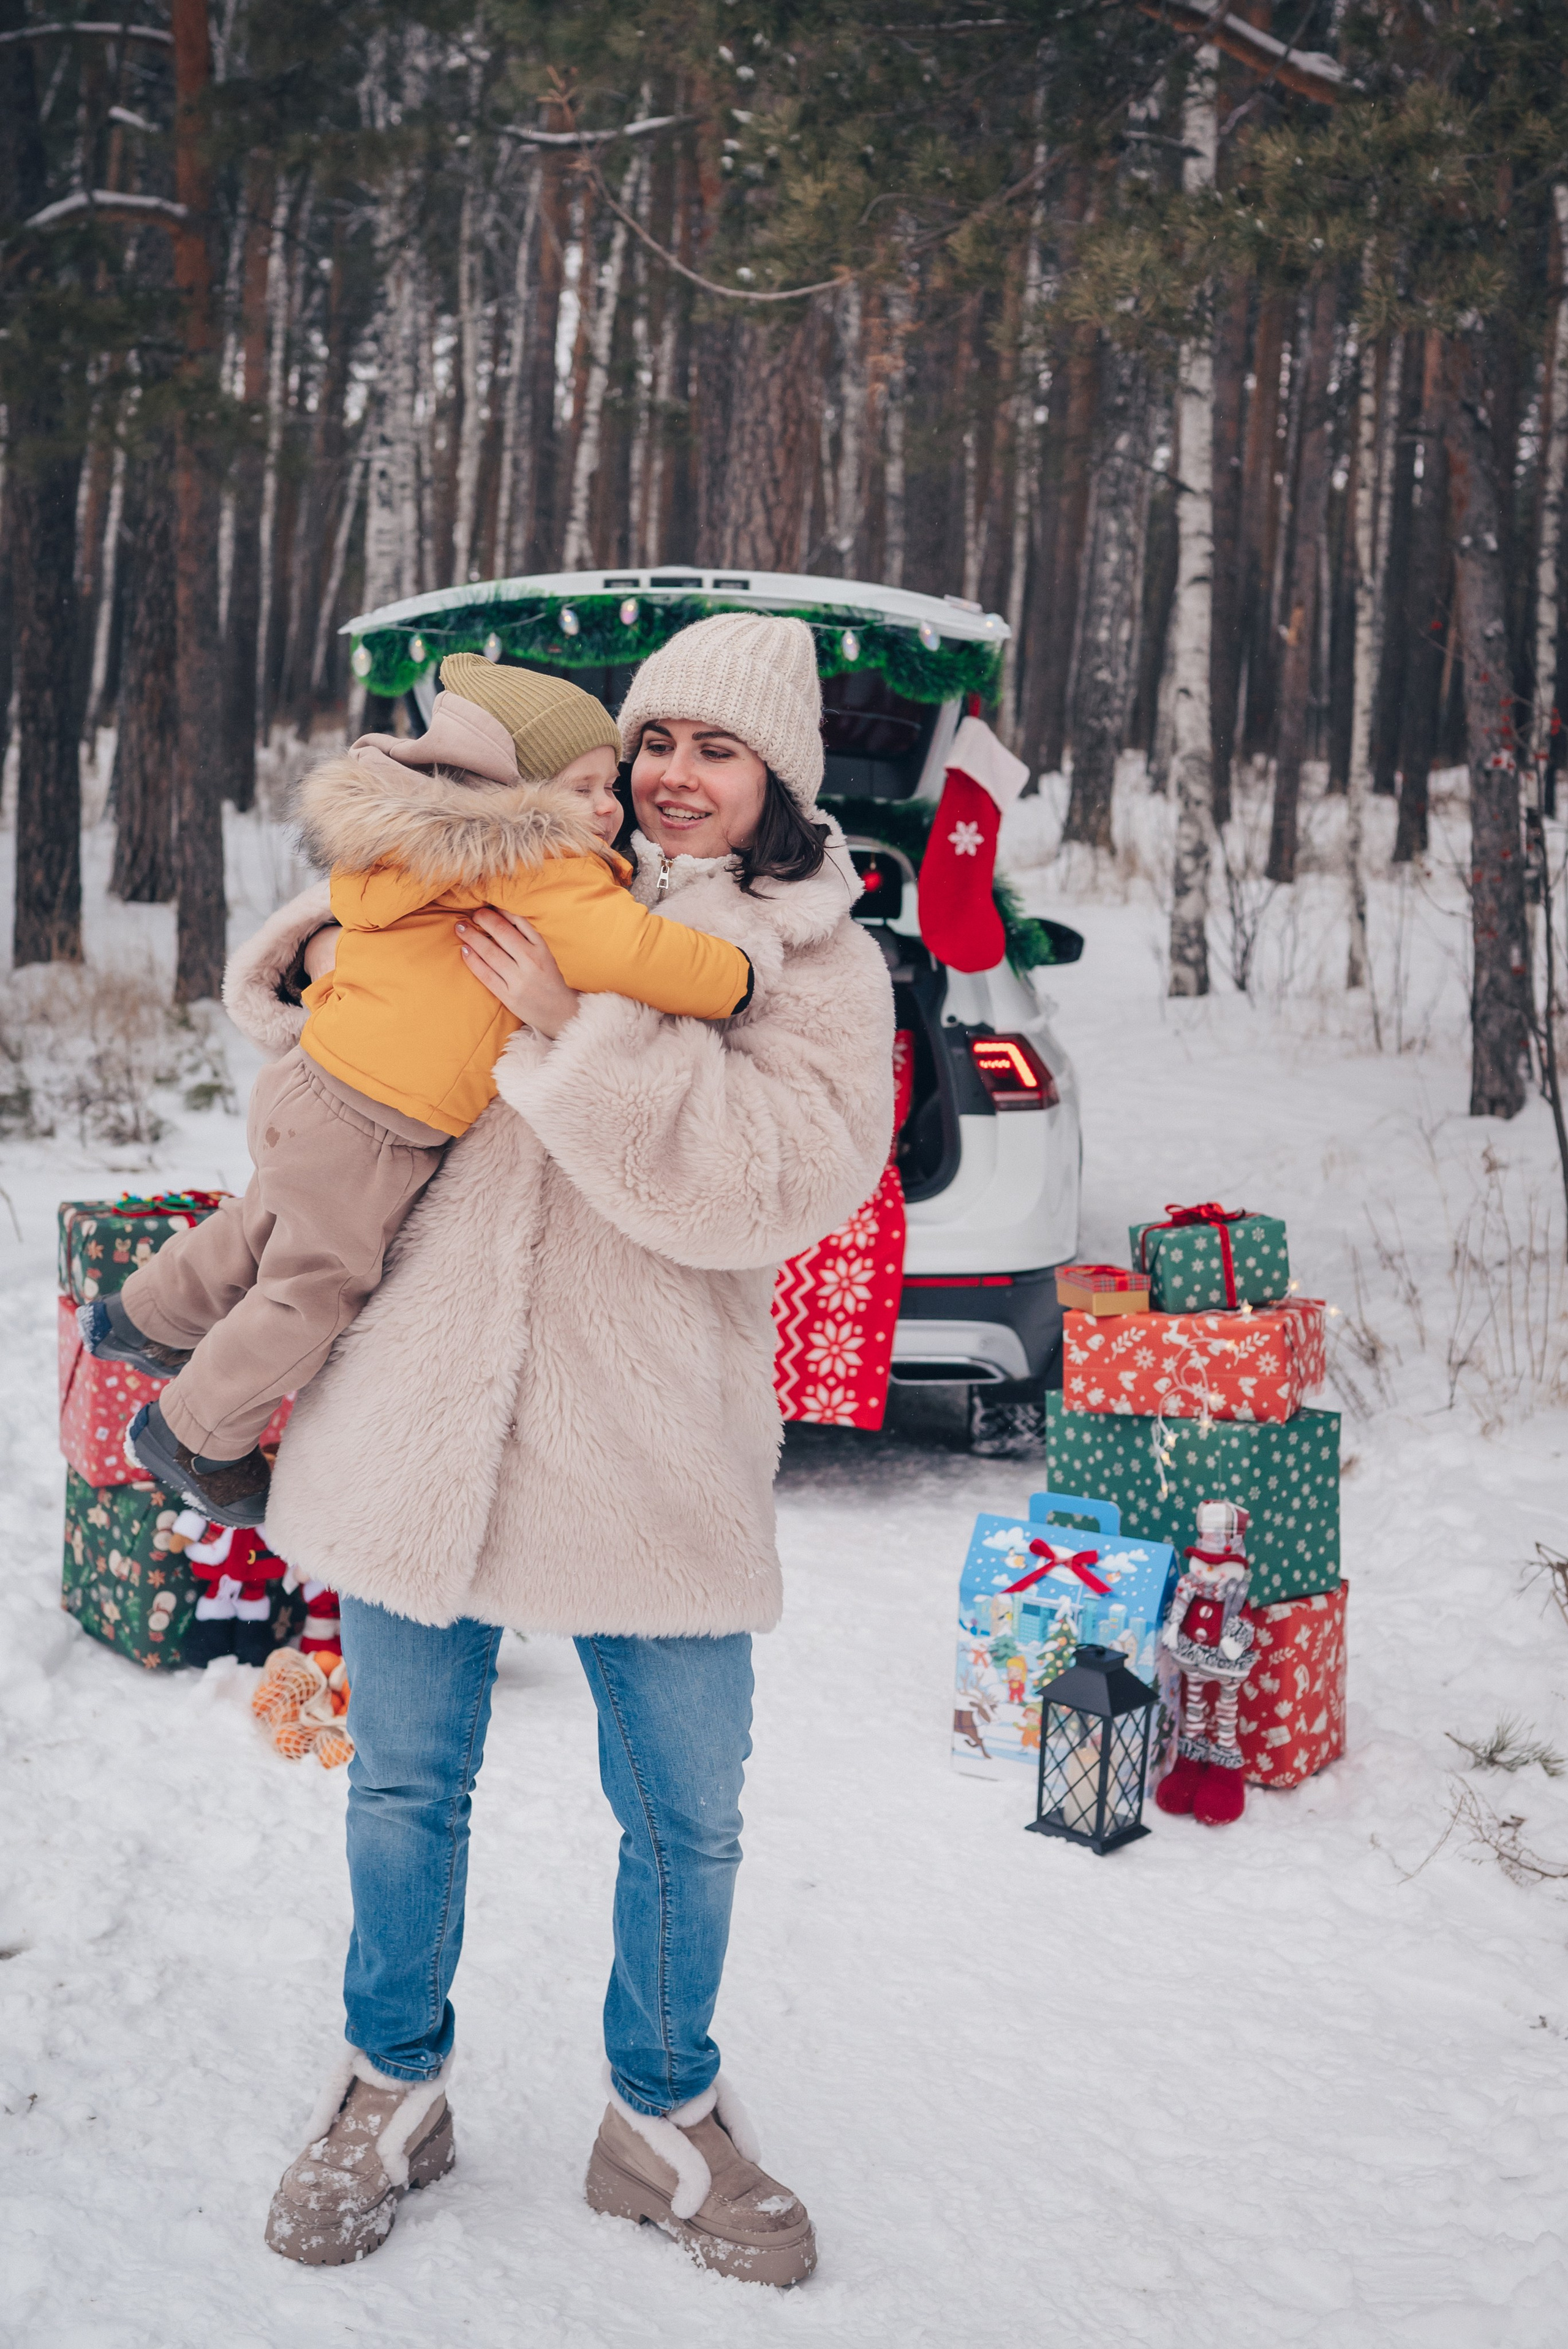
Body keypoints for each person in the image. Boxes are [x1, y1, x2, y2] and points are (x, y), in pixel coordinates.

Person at [221, 612, 894, 2285]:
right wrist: (328, 956)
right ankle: (392, 2084)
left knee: (687, 1807)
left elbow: (774, 1185)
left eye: (715, 750)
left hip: (649, 1431)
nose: (674, 775)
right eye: (654, 740)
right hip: (419, 1404)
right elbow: (325, 1023)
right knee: (401, 1781)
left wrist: (559, 1034)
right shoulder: (507, 853)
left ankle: (663, 2110)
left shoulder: (813, 959)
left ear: (776, 782)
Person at [80, 654, 753, 1529]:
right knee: (311, 1289)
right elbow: (634, 952)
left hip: (312, 1086)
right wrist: (731, 976)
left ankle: (144, 1317)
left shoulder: (430, 845)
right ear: (521, 792)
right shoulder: (545, 867)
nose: (605, 809)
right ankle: (197, 1432)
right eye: (582, 787)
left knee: (259, 1226)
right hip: (376, 1125)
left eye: (607, 785)